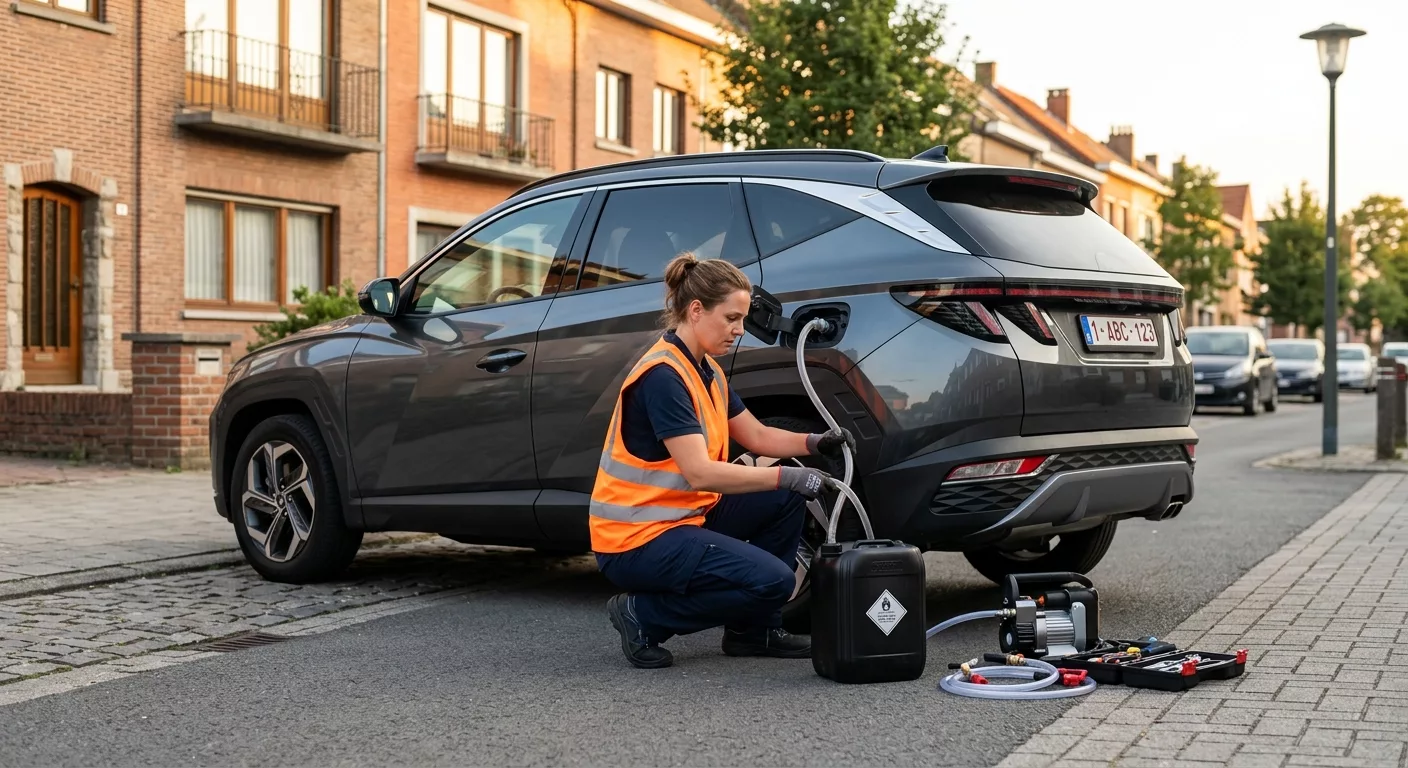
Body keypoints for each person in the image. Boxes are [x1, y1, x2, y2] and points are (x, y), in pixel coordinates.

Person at [590, 252, 855, 669]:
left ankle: (754, 631)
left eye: (743, 319)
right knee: (775, 580)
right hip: (636, 539)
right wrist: (786, 476)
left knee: (785, 501)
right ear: (696, 310)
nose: (739, 331)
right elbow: (699, 472)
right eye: (731, 318)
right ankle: (643, 615)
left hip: (682, 519)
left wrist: (816, 441)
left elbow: (757, 435)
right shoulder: (663, 376)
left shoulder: (706, 369)